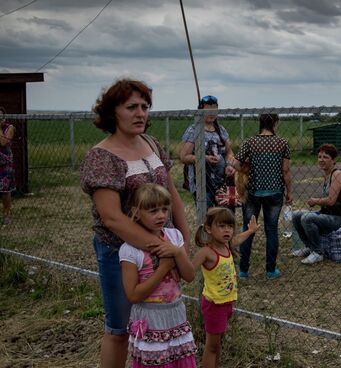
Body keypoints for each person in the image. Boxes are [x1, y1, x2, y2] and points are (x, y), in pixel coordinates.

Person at [80, 79, 190, 368]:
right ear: (112, 112)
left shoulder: (151, 143)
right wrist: (163, 249)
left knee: (156, 323)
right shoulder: (102, 157)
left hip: (163, 250)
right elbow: (112, 217)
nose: (141, 113)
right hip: (121, 254)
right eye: (131, 107)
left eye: (145, 106)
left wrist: (184, 243)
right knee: (120, 328)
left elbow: (172, 192)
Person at [118, 184, 196, 368]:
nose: (161, 215)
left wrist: (178, 253)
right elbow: (133, 295)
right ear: (136, 213)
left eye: (164, 209)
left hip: (176, 315)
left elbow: (190, 275)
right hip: (150, 320)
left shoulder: (174, 237)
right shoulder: (129, 251)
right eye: (153, 211)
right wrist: (163, 268)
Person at [192, 207, 259, 368]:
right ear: (208, 228)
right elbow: (188, 270)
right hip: (214, 305)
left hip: (226, 304)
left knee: (217, 344)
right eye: (221, 226)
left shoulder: (226, 246)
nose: (227, 230)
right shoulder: (207, 252)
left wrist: (250, 231)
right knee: (212, 346)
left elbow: (238, 239)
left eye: (230, 226)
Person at [231, 113, 292, 280]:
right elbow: (285, 171)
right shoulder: (282, 143)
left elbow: (235, 163)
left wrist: (247, 169)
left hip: (253, 192)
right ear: (274, 123)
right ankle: (271, 270)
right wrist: (290, 192)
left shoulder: (250, 142)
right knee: (271, 230)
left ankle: (243, 270)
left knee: (248, 229)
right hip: (275, 192)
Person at [291, 144, 341, 264]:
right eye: (319, 156)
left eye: (325, 157)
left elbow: (331, 201)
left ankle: (318, 252)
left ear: (333, 160)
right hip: (328, 214)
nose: (321, 160)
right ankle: (309, 247)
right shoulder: (327, 175)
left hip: (340, 218)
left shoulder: (336, 174)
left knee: (307, 217)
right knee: (296, 215)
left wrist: (315, 201)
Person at [180, 95, 236, 211]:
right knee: (207, 218)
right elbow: (184, 157)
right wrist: (203, 158)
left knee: (226, 216)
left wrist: (230, 165)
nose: (211, 113)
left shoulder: (221, 130)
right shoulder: (194, 130)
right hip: (202, 184)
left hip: (223, 182)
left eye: (214, 109)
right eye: (208, 109)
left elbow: (229, 152)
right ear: (201, 110)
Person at [0, 107, 16, 225]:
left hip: (5, 163)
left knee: (5, 190)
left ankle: (7, 215)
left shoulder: (9, 128)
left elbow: (3, 142)